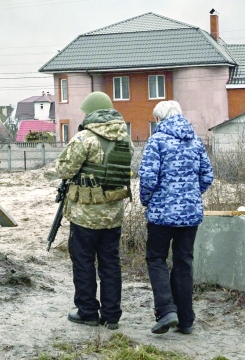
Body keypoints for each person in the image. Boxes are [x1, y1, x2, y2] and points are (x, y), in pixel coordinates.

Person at [56, 91, 133, 331]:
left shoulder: (84, 138)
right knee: (111, 263)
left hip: (85, 215)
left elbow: (64, 169)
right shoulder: (125, 139)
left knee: (83, 262)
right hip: (113, 213)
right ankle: (112, 315)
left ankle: (87, 311)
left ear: (91, 114)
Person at [139, 100, 214, 335]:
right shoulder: (195, 140)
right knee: (183, 262)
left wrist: (147, 200)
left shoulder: (157, 140)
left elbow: (148, 178)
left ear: (159, 119)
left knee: (156, 259)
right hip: (190, 215)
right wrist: (191, 195)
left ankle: (166, 310)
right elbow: (207, 175)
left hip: (162, 215)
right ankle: (186, 320)